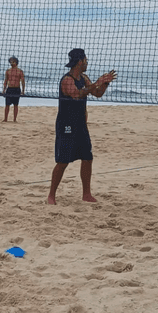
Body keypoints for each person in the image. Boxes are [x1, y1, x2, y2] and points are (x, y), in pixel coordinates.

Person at [47, 49, 116, 205]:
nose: (87, 63)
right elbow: (77, 94)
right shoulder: (67, 80)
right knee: (63, 161)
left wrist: (105, 83)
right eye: (85, 60)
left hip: (80, 124)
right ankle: (51, 195)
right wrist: (97, 82)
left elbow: (97, 93)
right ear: (80, 62)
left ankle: (86, 194)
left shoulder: (83, 78)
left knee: (87, 158)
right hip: (66, 125)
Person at [3, 56, 25, 122]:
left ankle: (14, 119)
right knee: (7, 105)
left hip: (17, 89)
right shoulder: (8, 71)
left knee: (15, 105)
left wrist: (23, 91)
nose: (11, 63)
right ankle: (5, 119)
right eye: (10, 61)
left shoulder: (20, 71)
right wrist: (4, 89)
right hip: (9, 89)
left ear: (16, 62)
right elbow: (6, 80)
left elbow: (23, 81)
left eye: (13, 61)